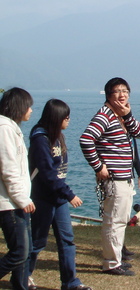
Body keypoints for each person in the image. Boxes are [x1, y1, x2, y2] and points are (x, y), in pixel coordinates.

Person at [80, 78, 140, 276]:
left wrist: (129, 115)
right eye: (117, 91)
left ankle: (115, 259)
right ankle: (111, 263)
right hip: (114, 180)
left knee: (119, 221)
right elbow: (86, 139)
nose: (122, 94)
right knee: (114, 222)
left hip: (125, 178)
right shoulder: (105, 115)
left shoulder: (121, 116)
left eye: (125, 91)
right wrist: (98, 167)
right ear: (109, 95)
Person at [28, 99, 91, 290]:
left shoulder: (58, 136)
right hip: (43, 197)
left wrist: (64, 194)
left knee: (67, 240)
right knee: (37, 241)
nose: (69, 120)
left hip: (59, 198)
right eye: (66, 117)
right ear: (56, 118)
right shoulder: (40, 139)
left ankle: (70, 282)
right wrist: (70, 194)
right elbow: (47, 173)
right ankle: (23, 277)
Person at [0, 88, 35, 290]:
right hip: (9, 202)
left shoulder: (12, 126)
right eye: (28, 106)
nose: (30, 110)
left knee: (25, 250)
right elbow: (9, 169)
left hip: (16, 200)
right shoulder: (4, 128)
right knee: (20, 251)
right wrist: (22, 199)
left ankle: (20, 285)